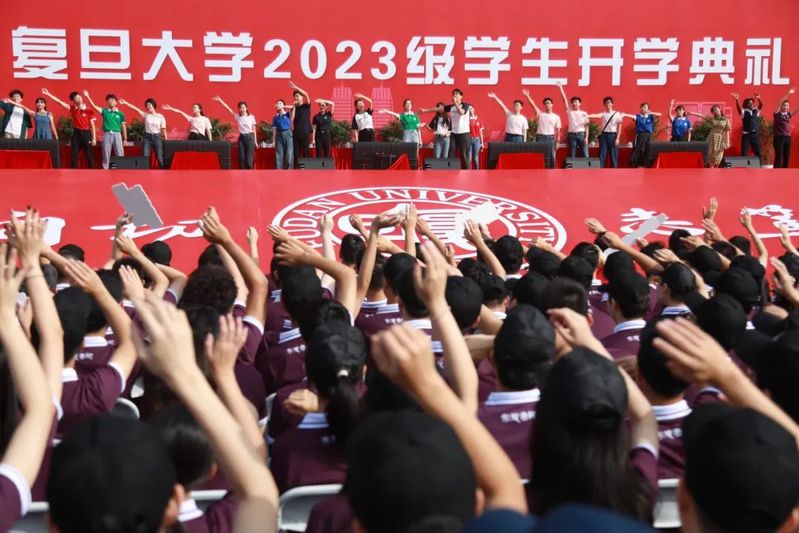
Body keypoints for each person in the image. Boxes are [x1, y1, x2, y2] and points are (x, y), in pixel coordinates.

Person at [43, 88, 97, 168]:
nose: (79, 99)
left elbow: (92, 125)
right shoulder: (72, 108)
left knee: (89, 154)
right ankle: (73, 171)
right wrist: (48, 94)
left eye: (80, 97)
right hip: (76, 133)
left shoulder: (89, 110)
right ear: (74, 101)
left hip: (86, 134)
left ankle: (92, 171)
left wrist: (94, 138)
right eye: (76, 98)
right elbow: (59, 102)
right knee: (74, 153)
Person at [82, 90, 127, 170]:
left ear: (116, 102)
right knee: (106, 153)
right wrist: (88, 96)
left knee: (120, 153)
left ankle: (121, 169)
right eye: (109, 100)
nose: (111, 101)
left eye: (112, 100)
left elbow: (123, 126)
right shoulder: (104, 111)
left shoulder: (120, 114)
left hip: (117, 134)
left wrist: (125, 139)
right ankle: (105, 169)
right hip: (107, 134)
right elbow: (93, 106)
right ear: (107, 102)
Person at [118, 97, 166, 168]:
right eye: (146, 105)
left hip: (157, 137)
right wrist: (126, 103)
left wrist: (166, 139)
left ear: (153, 105)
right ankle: (145, 172)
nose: (148, 107)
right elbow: (135, 108)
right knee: (145, 156)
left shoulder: (160, 116)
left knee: (159, 157)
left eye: (149, 105)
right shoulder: (146, 115)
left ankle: (163, 171)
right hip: (147, 138)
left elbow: (163, 129)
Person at [213, 96, 257, 169]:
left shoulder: (251, 117)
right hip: (242, 138)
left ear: (246, 108)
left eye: (243, 107)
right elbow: (228, 109)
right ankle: (242, 173)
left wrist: (255, 141)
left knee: (249, 159)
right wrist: (220, 100)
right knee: (241, 158)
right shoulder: (238, 117)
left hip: (250, 138)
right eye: (240, 108)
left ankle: (250, 173)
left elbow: (254, 129)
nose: (242, 109)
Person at [524, 90, 562, 169]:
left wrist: (558, 142)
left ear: (552, 105)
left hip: (550, 138)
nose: (547, 104)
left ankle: (552, 171)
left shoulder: (556, 117)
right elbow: (533, 105)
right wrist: (527, 96)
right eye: (545, 103)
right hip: (540, 137)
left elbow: (558, 130)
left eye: (548, 103)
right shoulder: (540, 114)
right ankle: (539, 170)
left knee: (552, 156)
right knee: (539, 155)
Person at [588, 96, 625, 168]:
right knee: (602, 154)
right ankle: (601, 170)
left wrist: (617, 138)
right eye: (606, 103)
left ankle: (614, 171)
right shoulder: (603, 114)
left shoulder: (617, 114)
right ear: (604, 105)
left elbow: (619, 126)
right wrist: (587, 116)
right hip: (604, 136)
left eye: (609, 102)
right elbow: (596, 115)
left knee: (613, 155)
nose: (608, 104)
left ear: (612, 104)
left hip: (613, 135)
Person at [557, 81, 589, 158]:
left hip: (581, 134)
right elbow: (564, 100)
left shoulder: (584, 113)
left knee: (585, 154)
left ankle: (587, 166)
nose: (574, 103)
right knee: (572, 154)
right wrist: (561, 88)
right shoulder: (570, 112)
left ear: (580, 103)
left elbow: (587, 126)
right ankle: (571, 166)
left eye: (576, 102)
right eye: (573, 102)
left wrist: (586, 137)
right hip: (572, 135)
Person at [627, 102, 662, 168]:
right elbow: (630, 116)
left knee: (647, 149)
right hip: (640, 135)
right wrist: (623, 114)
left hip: (648, 135)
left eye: (645, 107)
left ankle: (646, 165)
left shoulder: (650, 116)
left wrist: (650, 112)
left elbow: (660, 114)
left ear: (648, 109)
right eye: (642, 107)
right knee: (639, 149)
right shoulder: (638, 116)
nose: (643, 108)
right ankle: (637, 164)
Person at [732, 91, 764, 161]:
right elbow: (739, 109)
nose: (752, 104)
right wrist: (737, 100)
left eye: (752, 103)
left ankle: (759, 166)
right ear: (746, 104)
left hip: (755, 135)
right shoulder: (743, 111)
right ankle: (744, 167)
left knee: (758, 153)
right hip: (746, 136)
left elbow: (761, 105)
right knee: (744, 153)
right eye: (750, 103)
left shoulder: (756, 111)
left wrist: (758, 98)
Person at [773, 87, 797, 168]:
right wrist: (788, 93)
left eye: (787, 105)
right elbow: (780, 102)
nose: (786, 107)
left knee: (787, 156)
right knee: (779, 156)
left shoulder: (788, 114)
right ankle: (776, 171)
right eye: (784, 105)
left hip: (787, 137)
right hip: (778, 137)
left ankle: (785, 171)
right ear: (781, 106)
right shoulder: (777, 114)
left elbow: (797, 110)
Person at [289, 81, 312, 165]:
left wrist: (296, 87)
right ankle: (296, 169)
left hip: (305, 132)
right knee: (296, 153)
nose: (296, 97)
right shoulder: (294, 108)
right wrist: (294, 107)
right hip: (296, 133)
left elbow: (306, 94)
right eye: (295, 96)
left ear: (302, 97)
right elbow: (292, 118)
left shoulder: (306, 106)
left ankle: (306, 169)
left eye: (297, 96)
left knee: (306, 151)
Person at [272, 99, 293, 170]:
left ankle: (288, 171)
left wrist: (284, 106)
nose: (278, 104)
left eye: (280, 103)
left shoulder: (288, 114)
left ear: (284, 105)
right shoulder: (275, 117)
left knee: (288, 154)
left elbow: (292, 108)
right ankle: (278, 171)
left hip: (288, 134)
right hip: (279, 135)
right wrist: (273, 141)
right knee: (278, 154)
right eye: (277, 103)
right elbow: (274, 129)